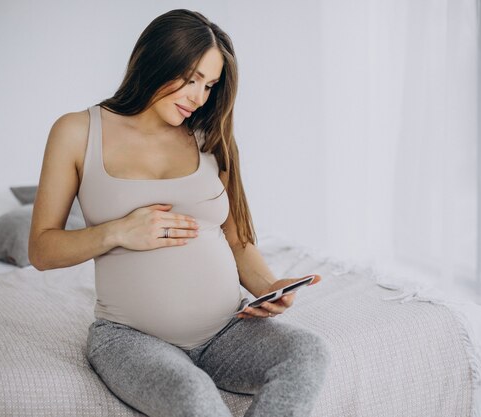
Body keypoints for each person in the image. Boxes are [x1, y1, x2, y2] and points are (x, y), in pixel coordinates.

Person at [28, 8, 331, 417]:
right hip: (131, 338)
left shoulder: (211, 135)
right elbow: (42, 250)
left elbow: (237, 240)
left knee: (309, 352)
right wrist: (118, 231)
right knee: (192, 393)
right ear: (155, 59)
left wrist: (270, 287)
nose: (199, 97)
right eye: (190, 79)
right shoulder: (77, 131)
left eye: (209, 85)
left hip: (227, 330)